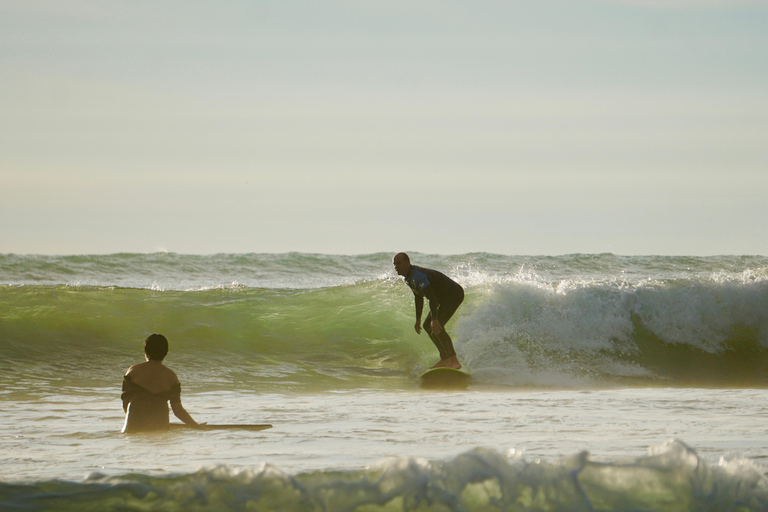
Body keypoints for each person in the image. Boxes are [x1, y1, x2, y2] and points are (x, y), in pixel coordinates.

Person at [393, 252, 464, 369]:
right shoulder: (408, 279)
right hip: (443, 298)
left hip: (454, 294)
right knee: (427, 325)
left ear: (407, 263)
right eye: (394, 264)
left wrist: (435, 319)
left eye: (399, 263)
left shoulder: (417, 276)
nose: (396, 266)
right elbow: (418, 297)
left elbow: (431, 298)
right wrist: (418, 320)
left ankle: (454, 361)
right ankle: (445, 359)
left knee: (438, 326)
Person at [121, 333, 202, 433]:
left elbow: (125, 402)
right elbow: (178, 410)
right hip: (160, 424)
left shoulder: (133, 371)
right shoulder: (171, 377)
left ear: (145, 351)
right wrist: (196, 426)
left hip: (134, 424)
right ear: (166, 353)